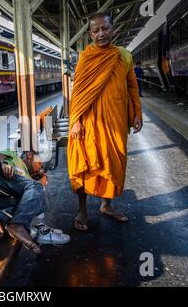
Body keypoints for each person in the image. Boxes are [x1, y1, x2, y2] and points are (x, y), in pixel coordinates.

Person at [67, 13, 143, 231]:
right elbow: (78, 92)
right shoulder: (86, 57)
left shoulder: (124, 56)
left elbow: (132, 88)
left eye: (105, 28)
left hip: (116, 121)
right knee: (84, 162)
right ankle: (82, 210)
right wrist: (75, 120)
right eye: (96, 30)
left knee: (112, 162)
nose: (101, 33)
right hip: (89, 122)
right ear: (90, 34)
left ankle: (106, 205)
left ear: (113, 29)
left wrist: (137, 113)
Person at [0, 149, 70, 254]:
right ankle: (16, 225)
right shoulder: (14, 156)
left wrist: (39, 182)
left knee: (27, 204)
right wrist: (4, 163)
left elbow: (30, 201)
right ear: (30, 156)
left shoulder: (26, 177)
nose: (40, 168)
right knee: (36, 188)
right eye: (39, 163)